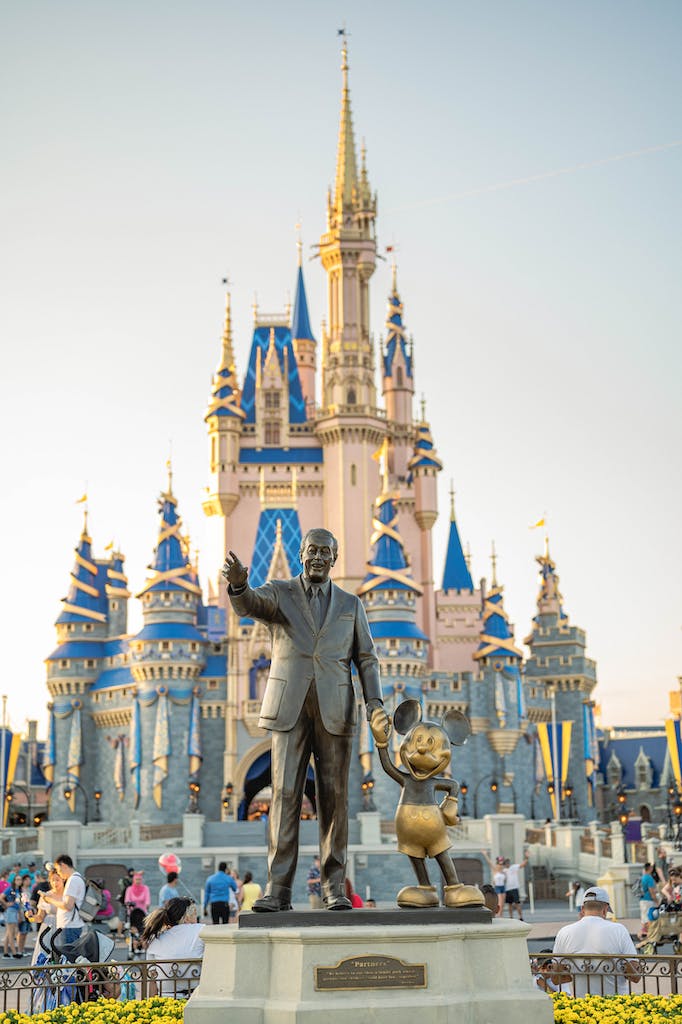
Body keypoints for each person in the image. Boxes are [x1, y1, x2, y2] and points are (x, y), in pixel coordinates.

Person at [223, 528, 389, 912]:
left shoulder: (351, 604)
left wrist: (375, 702)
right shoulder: (281, 593)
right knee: (283, 796)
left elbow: (366, 657)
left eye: (325, 552)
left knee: (335, 800)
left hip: (336, 709)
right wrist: (238, 586)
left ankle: (334, 889)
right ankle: (277, 890)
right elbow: (250, 604)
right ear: (301, 554)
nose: (318, 557)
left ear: (335, 558)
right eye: (312, 550)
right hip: (289, 707)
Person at [552, 885, 641, 996]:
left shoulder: (564, 932)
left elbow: (556, 977)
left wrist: (573, 973)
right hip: (616, 1004)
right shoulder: (619, 930)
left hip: (582, 1004)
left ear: (582, 909)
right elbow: (635, 976)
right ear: (605, 910)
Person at [142, 897, 204, 997]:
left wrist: (152, 1006)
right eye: (195, 913)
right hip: (195, 998)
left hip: (166, 999)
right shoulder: (200, 930)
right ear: (187, 917)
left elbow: (152, 979)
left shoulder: (155, 939)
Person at [41, 854, 86, 944]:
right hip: (70, 925)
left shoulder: (73, 880)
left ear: (63, 865)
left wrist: (49, 900)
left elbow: (68, 905)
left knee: (68, 956)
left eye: (58, 869)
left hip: (69, 926)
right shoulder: (76, 878)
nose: (59, 873)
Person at [125, 871, 151, 952]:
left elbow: (148, 900)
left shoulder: (145, 888)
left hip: (142, 913)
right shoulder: (129, 889)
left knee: (143, 929)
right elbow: (127, 900)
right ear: (133, 880)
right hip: (132, 913)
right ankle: (133, 947)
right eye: (136, 879)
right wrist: (129, 905)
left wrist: (147, 905)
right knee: (133, 930)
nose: (138, 881)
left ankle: (144, 946)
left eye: (139, 879)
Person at [503, 854, 528, 920]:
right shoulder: (504, 870)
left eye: (508, 863)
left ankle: (520, 917)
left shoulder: (513, 867)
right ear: (504, 864)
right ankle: (511, 917)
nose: (507, 864)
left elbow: (523, 865)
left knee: (517, 903)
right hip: (507, 889)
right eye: (506, 863)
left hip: (514, 888)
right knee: (509, 904)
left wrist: (526, 857)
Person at [638, 862, 659, 939]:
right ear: (650, 868)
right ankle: (649, 935)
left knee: (644, 918)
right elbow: (652, 891)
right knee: (649, 918)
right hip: (648, 901)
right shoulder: (649, 878)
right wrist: (656, 901)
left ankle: (643, 935)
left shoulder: (643, 877)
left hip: (642, 900)